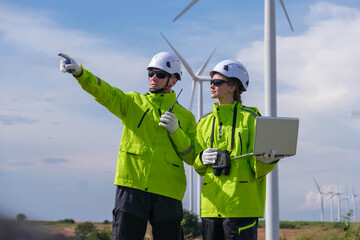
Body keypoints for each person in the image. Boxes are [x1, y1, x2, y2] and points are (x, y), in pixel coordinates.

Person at [58, 52, 196, 240]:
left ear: (173, 80)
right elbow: (104, 92)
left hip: (169, 191)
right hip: (132, 186)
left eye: (160, 74)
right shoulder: (132, 102)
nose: (153, 78)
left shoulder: (186, 118)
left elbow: (191, 156)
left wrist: (176, 131)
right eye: (150, 73)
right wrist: (81, 74)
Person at [193, 60, 282, 240]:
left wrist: (268, 161)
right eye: (211, 82)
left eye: (217, 82)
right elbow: (198, 165)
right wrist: (201, 158)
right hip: (210, 207)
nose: (211, 85)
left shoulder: (251, 118)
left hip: (241, 205)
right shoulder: (204, 121)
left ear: (233, 86)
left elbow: (257, 168)